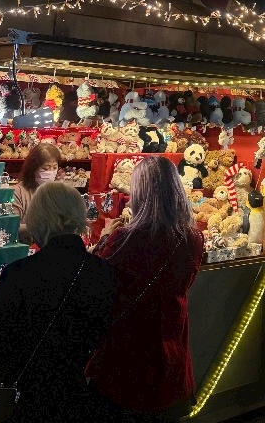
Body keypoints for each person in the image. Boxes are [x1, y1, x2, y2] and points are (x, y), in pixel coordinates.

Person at [0, 181, 115, 422]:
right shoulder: (103, 273)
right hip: (73, 399)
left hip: (20, 401)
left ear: (37, 219)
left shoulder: (19, 274)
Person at [86, 154, 204, 422]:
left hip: (128, 358)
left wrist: (104, 239)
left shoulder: (125, 239)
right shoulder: (193, 238)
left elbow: (96, 281)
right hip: (172, 351)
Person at [11, 140, 62, 243]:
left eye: (54, 167)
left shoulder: (59, 192)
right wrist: (40, 226)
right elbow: (12, 226)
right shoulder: (18, 192)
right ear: (33, 169)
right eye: (46, 168)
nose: (51, 172)